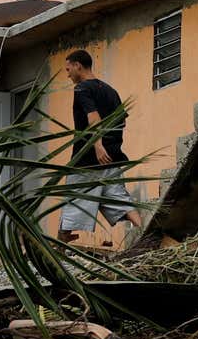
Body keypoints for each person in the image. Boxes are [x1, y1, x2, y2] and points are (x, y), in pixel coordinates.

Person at [57, 50, 142, 245]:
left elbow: (93, 117)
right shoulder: (111, 91)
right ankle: (144, 232)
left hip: (87, 159)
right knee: (121, 201)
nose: (67, 74)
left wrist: (97, 146)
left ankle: (58, 250)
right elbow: (121, 123)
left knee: (73, 197)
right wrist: (111, 147)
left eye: (68, 69)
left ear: (78, 65)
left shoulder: (82, 89)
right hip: (113, 158)